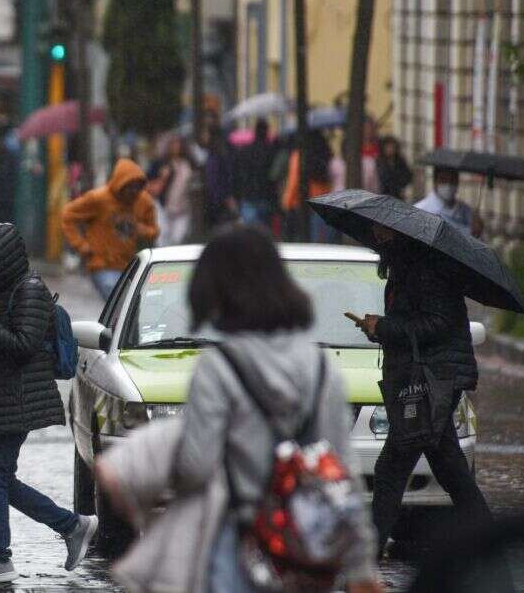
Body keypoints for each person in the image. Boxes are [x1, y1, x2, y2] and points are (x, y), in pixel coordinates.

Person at [159, 225, 381, 593]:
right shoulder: (320, 366)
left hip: (235, 548)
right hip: (305, 549)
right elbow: (343, 471)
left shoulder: (216, 369)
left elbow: (196, 467)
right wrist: (361, 567)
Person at [0, 223, 98, 586]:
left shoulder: (29, 291)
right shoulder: (1, 296)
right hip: (2, 399)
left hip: (18, 400)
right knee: (0, 477)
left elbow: (22, 347)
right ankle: (71, 525)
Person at [351, 225, 491, 559]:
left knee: (391, 471)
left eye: (381, 235)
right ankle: (490, 545)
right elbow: (414, 323)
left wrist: (383, 327)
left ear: (397, 237)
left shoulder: (423, 270)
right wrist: (377, 328)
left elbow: (436, 323)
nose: (376, 240)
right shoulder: (405, 269)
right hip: (427, 382)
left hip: (433, 383)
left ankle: (366, 558)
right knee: (449, 470)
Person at [61, 159, 160, 300]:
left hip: (130, 266)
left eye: (138, 188)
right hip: (102, 265)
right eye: (130, 187)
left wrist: (142, 230)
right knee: (118, 301)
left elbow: (154, 231)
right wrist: (81, 245)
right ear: (120, 184)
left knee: (128, 310)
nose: (134, 192)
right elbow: (68, 215)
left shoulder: (144, 202)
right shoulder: (99, 199)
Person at [281, 129, 337, 242]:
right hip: (324, 203)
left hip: (303, 203)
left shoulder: (299, 155)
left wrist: (287, 202)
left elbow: (294, 180)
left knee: (304, 240)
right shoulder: (326, 154)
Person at [146, 134, 194, 246]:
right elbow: (147, 185)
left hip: (182, 208)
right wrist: (163, 178)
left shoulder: (187, 163)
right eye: (173, 144)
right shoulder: (160, 164)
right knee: (163, 239)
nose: (176, 147)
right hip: (164, 208)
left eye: (178, 143)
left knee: (178, 239)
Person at [232, 118, 278, 228]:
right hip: (266, 195)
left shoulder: (245, 150)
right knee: (265, 230)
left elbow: (238, 173)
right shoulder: (270, 151)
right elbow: (273, 175)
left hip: (248, 195)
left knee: (251, 232)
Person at [415, 167, 484, 238]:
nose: (448, 184)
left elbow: (479, 243)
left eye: (452, 180)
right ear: (435, 182)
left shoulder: (467, 211)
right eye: (444, 179)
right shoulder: (420, 211)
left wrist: (478, 231)